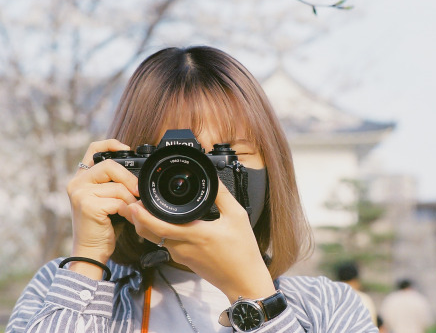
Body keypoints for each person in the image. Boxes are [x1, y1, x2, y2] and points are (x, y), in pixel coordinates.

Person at [6, 46, 378, 332]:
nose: (196, 178)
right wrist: (87, 258)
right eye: (168, 159)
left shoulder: (328, 306)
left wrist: (257, 297)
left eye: (224, 154)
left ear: (271, 165)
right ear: (125, 164)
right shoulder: (63, 285)